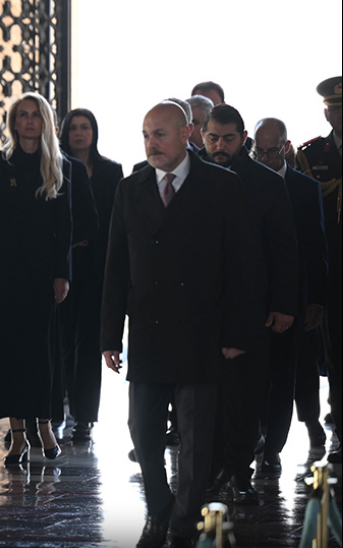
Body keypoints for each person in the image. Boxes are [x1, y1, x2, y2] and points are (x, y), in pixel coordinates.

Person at [101, 101, 254, 548]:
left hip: (201, 330)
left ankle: (184, 522)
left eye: (160, 134)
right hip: (147, 330)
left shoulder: (222, 185)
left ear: (187, 132)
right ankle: (160, 507)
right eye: (146, 135)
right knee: (142, 432)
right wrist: (110, 335)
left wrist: (235, 333)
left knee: (195, 437)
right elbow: (115, 266)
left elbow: (242, 266)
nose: (152, 143)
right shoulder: (130, 189)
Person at [199, 104, 299, 505]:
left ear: (243, 139)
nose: (219, 146)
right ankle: (207, 473)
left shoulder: (266, 183)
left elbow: (284, 251)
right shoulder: (190, 178)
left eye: (227, 139)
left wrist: (284, 304)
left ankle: (240, 474)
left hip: (251, 308)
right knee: (204, 398)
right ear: (202, 136)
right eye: (212, 138)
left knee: (246, 396)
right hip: (202, 310)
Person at [0, 92, 72, 464]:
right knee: (9, 353)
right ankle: (17, 436)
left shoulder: (62, 165)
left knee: (39, 354)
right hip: (2, 273)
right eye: (22, 115)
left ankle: (44, 425)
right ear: (14, 122)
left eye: (35, 115)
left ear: (46, 121)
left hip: (43, 274)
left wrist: (63, 273)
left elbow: (66, 227)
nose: (29, 121)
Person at [251, 118, 328, 476]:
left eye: (272, 151)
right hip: (250, 298)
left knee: (285, 374)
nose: (264, 158)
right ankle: (254, 439)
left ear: (286, 147)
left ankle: (273, 450)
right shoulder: (240, 183)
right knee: (251, 377)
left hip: (291, 298)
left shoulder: (304, 188)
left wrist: (316, 300)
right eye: (259, 151)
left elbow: (316, 249)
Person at [58, 108, 123, 442]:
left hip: (97, 264)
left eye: (86, 127)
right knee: (61, 339)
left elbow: (116, 219)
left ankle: (84, 416)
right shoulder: (55, 166)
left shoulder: (112, 171)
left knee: (89, 342)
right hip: (62, 263)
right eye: (74, 128)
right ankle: (57, 409)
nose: (80, 133)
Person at [295, 76, 343, 464]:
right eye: (337, 109)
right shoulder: (313, 154)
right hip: (335, 271)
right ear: (327, 112)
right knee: (337, 354)